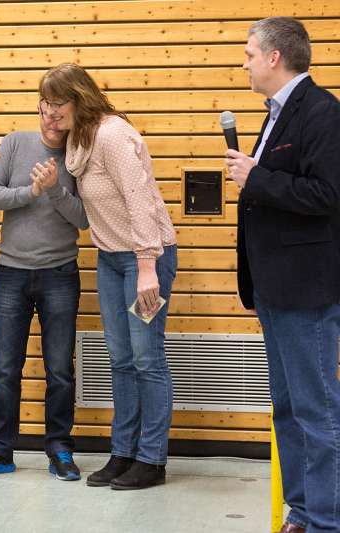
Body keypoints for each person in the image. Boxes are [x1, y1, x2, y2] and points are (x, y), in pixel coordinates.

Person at [34, 63, 178, 490]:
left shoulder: (114, 135)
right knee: (120, 359)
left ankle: (152, 459)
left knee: (147, 359)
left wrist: (148, 266)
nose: (49, 112)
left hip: (144, 257)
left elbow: (140, 202)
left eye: (57, 103)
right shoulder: (79, 140)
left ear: (80, 99)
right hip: (111, 258)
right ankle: (124, 452)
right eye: (44, 103)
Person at [226, 17, 340, 533]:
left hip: (306, 289)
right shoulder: (275, 114)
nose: (245, 64)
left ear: (275, 57)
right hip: (273, 288)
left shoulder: (321, 113)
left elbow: (327, 196)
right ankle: (301, 512)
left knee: (317, 413)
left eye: (250, 55)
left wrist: (259, 178)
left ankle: (325, 520)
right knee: (289, 410)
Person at [0, 105, 89, 480]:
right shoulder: (14, 144)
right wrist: (30, 190)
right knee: (5, 369)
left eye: (59, 113)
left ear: (73, 113)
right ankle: (0, 449)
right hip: (11, 273)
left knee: (60, 371)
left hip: (60, 273)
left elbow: (84, 218)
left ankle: (60, 450)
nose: (50, 121)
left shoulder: (80, 154)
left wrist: (53, 191)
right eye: (44, 112)